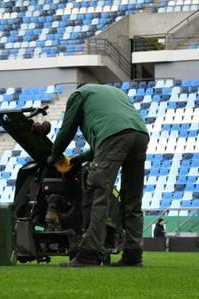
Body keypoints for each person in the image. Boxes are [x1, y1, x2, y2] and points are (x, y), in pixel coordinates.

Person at [49, 85, 149, 268]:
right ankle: (133, 255)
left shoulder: (79, 94)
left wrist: (53, 156)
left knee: (98, 193)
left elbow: (67, 129)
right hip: (140, 135)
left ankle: (89, 254)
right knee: (132, 200)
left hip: (114, 136)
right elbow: (106, 144)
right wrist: (78, 159)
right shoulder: (116, 93)